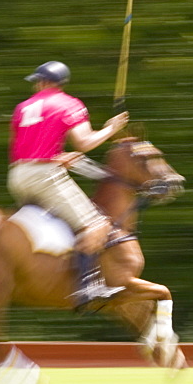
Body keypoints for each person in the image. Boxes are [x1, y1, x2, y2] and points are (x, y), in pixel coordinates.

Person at [8, 61, 129, 312]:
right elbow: (85, 142)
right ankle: (88, 287)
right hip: (43, 176)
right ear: (61, 83)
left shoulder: (23, 107)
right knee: (96, 224)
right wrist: (110, 129)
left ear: (41, 82)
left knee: (59, 222)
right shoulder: (69, 103)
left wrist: (57, 156)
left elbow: (23, 146)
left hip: (17, 176)